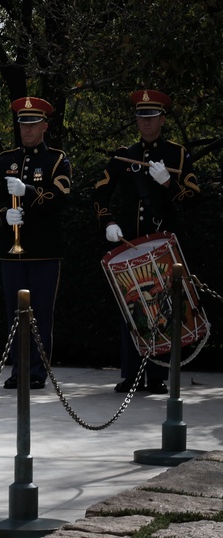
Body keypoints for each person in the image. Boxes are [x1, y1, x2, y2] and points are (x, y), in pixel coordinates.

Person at [93, 89, 200, 395]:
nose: (146, 123)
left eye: (152, 117)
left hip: (164, 245)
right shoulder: (123, 154)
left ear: (162, 119)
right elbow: (99, 193)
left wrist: (169, 183)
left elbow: (195, 199)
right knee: (132, 308)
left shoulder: (177, 154)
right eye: (141, 117)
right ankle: (130, 374)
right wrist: (108, 222)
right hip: (128, 243)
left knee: (162, 308)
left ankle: (158, 375)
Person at [0, 97, 71, 390]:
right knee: (14, 312)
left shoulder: (56, 160)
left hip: (44, 252)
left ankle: (36, 370)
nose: (27, 130)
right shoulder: (5, 160)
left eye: (33, 124)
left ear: (44, 126)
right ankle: (17, 369)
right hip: (11, 254)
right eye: (23, 124)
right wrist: (4, 214)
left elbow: (60, 198)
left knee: (41, 312)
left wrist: (30, 191)